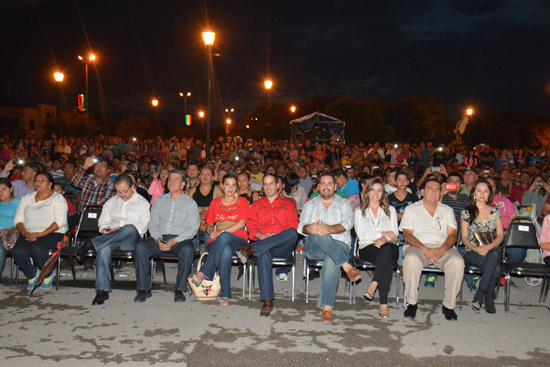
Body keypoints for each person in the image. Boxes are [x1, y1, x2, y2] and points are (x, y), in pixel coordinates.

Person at [78, 174, 150, 305]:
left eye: (124, 191)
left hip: (131, 240)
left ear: (132, 187)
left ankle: (92, 244)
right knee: (103, 249)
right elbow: (103, 221)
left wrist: (119, 229)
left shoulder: (142, 203)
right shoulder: (111, 202)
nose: (121, 194)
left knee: (129, 228)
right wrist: (105, 229)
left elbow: (142, 228)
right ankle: (102, 290)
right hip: (111, 239)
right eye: (118, 191)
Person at [298, 172, 359, 324]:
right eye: (323, 184)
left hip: (339, 244)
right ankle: (345, 265)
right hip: (314, 246)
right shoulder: (310, 204)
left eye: (329, 184)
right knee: (318, 230)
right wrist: (309, 228)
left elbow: (347, 224)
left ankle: (327, 308)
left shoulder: (344, 203)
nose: (326, 187)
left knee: (331, 258)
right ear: (318, 187)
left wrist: (329, 229)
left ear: (335, 186)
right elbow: (301, 227)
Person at [400, 177, 463, 321]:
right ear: (422, 191)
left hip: (443, 247)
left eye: (437, 189)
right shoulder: (412, 209)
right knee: (411, 259)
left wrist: (442, 250)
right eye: (430, 188)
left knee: (457, 261)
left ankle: (449, 305)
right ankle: (412, 303)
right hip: (417, 247)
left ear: (441, 193)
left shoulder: (447, 210)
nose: (434, 192)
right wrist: (424, 249)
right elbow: (407, 235)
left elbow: (453, 234)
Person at [134, 170, 200, 303]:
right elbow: (152, 224)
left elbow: (192, 228)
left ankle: (180, 289)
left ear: (182, 184)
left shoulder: (190, 203)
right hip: (160, 236)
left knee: (187, 250)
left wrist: (175, 240)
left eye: (175, 179)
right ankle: (143, 289)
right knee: (141, 247)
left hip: (180, 238)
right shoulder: (160, 200)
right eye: (170, 179)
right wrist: (158, 239)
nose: (171, 182)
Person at [239, 173, 299, 316]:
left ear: (278, 185)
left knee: (292, 232)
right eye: (265, 184)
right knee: (264, 253)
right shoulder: (257, 205)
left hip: (282, 247)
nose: (268, 187)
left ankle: (250, 249)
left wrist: (276, 237)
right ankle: (267, 301)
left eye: (271, 183)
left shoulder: (289, 203)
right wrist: (262, 237)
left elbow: (294, 225)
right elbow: (251, 226)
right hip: (263, 243)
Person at [191, 175, 249, 306]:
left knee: (224, 237)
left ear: (237, 187)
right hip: (217, 240)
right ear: (222, 186)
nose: (230, 188)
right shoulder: (215, 203)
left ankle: (204, 272)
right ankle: (225, 293)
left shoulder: (242, 201)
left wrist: (221, 232)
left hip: (237, 238)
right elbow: (209, 224)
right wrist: (211, 231)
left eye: (233, 185)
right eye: (227, 184)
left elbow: (241, 224)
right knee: (225, 251)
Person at [12, 172, 68, 290]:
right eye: (36, 180)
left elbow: (60, 221)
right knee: (17, 251)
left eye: (42, 180)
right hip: (28, 232)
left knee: (38, 250)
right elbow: (18, 219)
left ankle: (47, 274)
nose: (38, 183)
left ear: (50, 184)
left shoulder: (57, 198)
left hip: (52, 233)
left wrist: (41, 234)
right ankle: (32, 275)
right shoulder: (27, 198)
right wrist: (24, 232)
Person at [354, 178, 399, 318]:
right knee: (386, 260)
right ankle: (383, 304)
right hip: (368, 247)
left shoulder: (390, 210)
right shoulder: (359, 211)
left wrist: (384, 239)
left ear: (383, 193)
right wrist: (383, 234)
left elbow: (395, 233)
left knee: (386, 250)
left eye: (379, 190)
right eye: (372, 190)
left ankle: (374, 284)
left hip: (389, 246)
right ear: (367, 192)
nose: (375, 193)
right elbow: (362, 235)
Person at [461, 179, 504, 314]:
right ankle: (489, 297)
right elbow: (464, 238)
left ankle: (480, 294)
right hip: (472, 251)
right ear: (473, 193)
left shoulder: (495, 211)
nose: (482, 194)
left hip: (492, 250)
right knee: (495, 267)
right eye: (479, 191)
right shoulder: (467, 212)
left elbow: (500, 236)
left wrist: (489, 247)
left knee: (495, 255)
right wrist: (476, 249)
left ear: (490, 194)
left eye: (486, 191)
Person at [0, 178, 21, 278]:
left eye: (3, 189)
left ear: (11, 189)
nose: (0, 192)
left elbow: (24, 222)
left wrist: (7, 230)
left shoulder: (18, 202)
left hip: (9, 234)